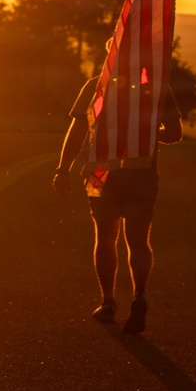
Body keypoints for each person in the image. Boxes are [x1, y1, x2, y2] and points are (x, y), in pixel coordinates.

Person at [53, 72, 183, 334]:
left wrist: (63, 169)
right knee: (139, 241)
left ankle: (108, 303)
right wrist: (144, 132)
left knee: (105, 238)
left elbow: (78, 130)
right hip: (142, 172)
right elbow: (174, 134)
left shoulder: (95, 86)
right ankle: (140, 293)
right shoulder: (157, 86)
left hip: (102, 172)